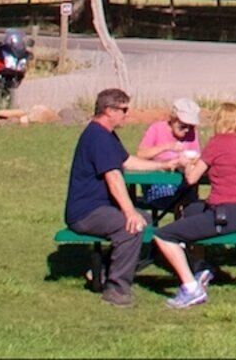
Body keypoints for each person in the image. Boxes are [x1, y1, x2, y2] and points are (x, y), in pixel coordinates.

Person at [153, 98, 236, 292]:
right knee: (191, 209)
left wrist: (187, 166)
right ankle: (199, 264)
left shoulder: (217, 143)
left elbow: (193, 178)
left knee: (164, 234)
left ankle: (190, 286)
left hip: (224, 213)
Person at [121, 98, 220, 306]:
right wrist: (168, 149)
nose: (186, 131)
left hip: (183, 184)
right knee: (184, 202)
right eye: (182, 126)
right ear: (172, 119)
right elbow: (141, 154)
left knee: (194, 207)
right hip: (158, 185)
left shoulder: (191, 135)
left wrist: (188, 162)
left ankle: (194, 258)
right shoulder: (157, 129)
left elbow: (197, 157)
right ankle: (176, 241)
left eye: (190, 127)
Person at [63, 86, 153, 307]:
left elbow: (125, 161)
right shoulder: (97, 136)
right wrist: (129, 212)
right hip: (86, 213)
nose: (127, 114)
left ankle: (101, 271)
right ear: (109, 110)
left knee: (147, 221)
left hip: (101, 208)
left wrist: (165, 164)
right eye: (123, 109)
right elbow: (113, 176)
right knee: (130, 227)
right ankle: (116, 290)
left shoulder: (107, 135)